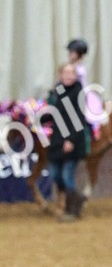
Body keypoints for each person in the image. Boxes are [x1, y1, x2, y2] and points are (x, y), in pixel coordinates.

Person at [45, 63, 90, 221]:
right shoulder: (57, 92)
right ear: (60, 75)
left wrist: (70, 140)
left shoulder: (79, 93)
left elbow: (79, 118)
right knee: (56, 174)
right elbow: (53, 113)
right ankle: (78, 199)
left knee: (67, 176)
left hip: (73, 140)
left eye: (72, 73)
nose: (69, 76)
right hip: (57, 140)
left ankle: (71, 210)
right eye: (66, 73)